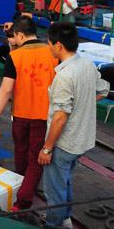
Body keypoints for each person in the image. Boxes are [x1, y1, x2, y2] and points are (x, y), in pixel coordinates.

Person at [38, 22, 109, 228]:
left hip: (64, 143)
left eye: (49, 43)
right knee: (65, 179)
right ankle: (66, 217)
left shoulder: (64, 75)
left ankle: (54, 223)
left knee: (54, 189)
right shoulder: (87, 64)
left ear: (58, 45)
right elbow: (103, 90)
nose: (49, 47)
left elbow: (60, 117)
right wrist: (82, 105)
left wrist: (47, 148)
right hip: (82, 140)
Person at [0, 15, 58, 212]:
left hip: (20, 115)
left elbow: (6, 90)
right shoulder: (52, 52)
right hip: (44, 116)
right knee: (37, 157)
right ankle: (26, 193)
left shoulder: (15, 56)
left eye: (15, 37)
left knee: (21, 153)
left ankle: (23, 196)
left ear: (20, 34)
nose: (15, 41)